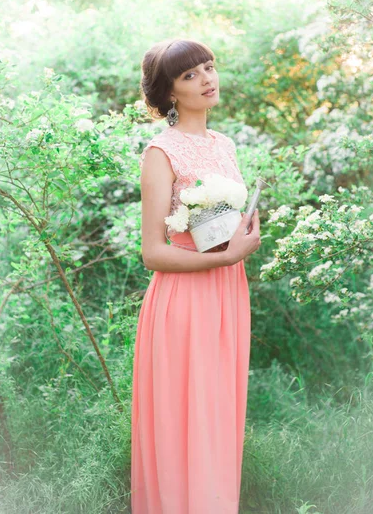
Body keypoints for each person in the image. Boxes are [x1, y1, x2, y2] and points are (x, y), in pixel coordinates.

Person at [131, 38, 261, 513]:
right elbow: (152, 251)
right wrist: (221, 259)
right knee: (186, 419)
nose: (207, 78)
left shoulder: (223, 144)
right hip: (185, 299)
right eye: (190, 75)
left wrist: (244, 232)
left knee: (219, 416)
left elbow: (221, 224)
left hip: (228, 294)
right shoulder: (160, 152)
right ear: (169, 93)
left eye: (208, 67)